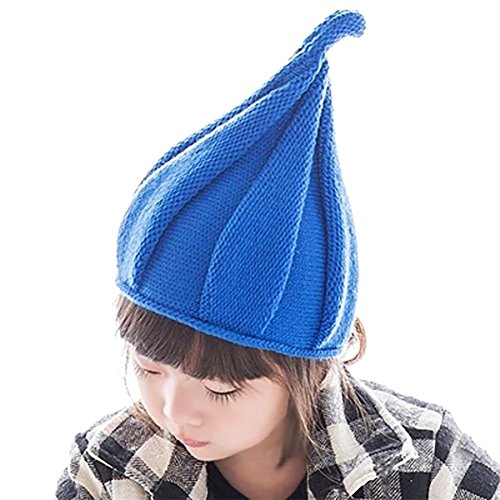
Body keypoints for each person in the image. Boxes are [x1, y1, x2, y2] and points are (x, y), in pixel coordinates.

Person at [55, 9, 500, 500]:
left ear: (308, 366)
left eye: (221, 388)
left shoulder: (426, 463)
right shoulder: (110, 467)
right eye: (149, 367)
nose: (176, 411)